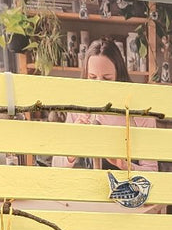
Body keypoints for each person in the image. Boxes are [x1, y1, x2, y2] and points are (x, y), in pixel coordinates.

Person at [52, 38, 160, 175]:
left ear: (119, 76)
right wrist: (74, 142)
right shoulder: (79, 109)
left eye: (107, 78)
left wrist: (124, 165)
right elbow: (56, 166)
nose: (99, 85)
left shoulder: (139, 112)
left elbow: (152, 171)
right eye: (92, 77)